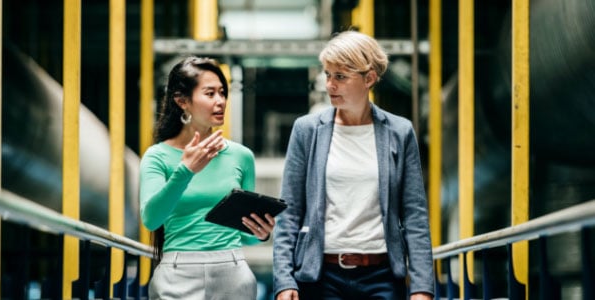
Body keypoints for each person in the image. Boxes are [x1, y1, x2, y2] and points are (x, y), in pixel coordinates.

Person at [273, 30, 434, 299]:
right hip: (322, 277)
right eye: (327, 74)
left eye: (340, 77)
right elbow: (289, 211)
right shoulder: (307, 130)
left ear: (369, 78)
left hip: (381, 276)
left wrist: (422, 287)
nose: (329, 85)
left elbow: (414, 214)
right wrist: (284, 279)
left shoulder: (399, 131)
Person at [139, 56, 275, 300]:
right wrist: (185, 171)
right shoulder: (157, 156)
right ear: (182, 101)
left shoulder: (241, 156)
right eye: (210, 93)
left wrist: (261, 233)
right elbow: (151, 219)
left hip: (232, 271)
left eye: (222, 93)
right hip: (177, 274)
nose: (220, 101)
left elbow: (245, 237)